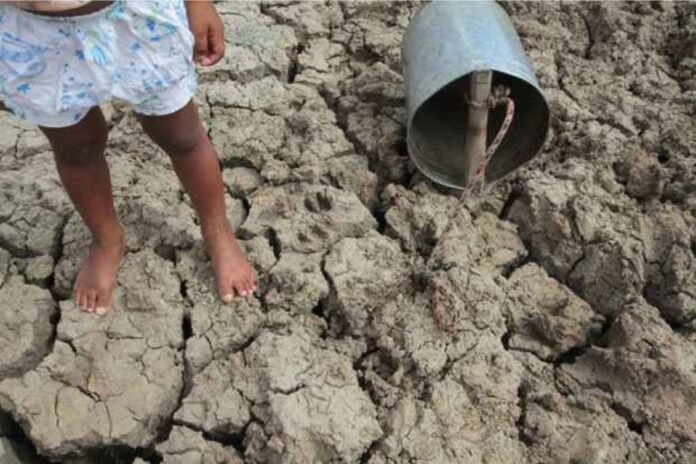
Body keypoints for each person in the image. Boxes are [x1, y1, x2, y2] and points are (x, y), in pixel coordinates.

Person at [0, 0, 257, 315]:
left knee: (181, 135)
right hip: (30, 37)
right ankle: (107, 239)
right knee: (76, 148)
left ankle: (218, 231)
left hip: (135, 18)